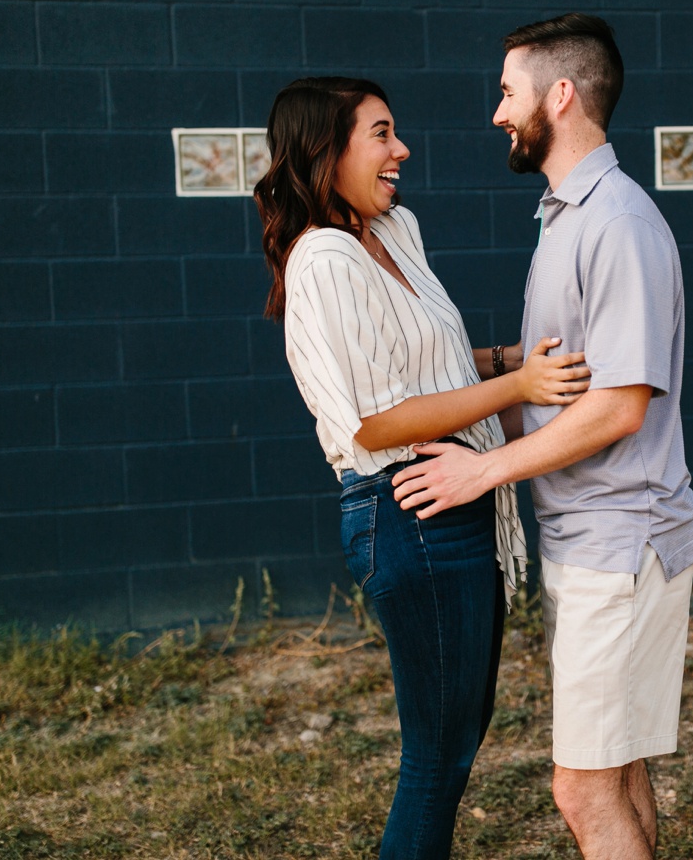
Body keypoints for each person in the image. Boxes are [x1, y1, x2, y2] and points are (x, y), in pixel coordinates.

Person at [390, 14, 693, 860]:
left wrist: (481, 471)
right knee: (618, 769)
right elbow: (559, 382)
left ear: (559, 95)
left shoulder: (617, 224)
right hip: (591, 538)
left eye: (508, 92)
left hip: (620, 541)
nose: (498, 111)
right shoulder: (567, 215)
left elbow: (619, 407)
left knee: (582, 788)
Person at [252, 76, 590, 860]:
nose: (401, 149)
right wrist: (520, 387)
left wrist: (506, 359)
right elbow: (378, 417)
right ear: (325, 153)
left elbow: (420, 363)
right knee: (435, 763)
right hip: (408, 510)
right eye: (381, 133)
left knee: (456, 743)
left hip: (455, 505)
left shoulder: (394, 230)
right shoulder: (324, 259)